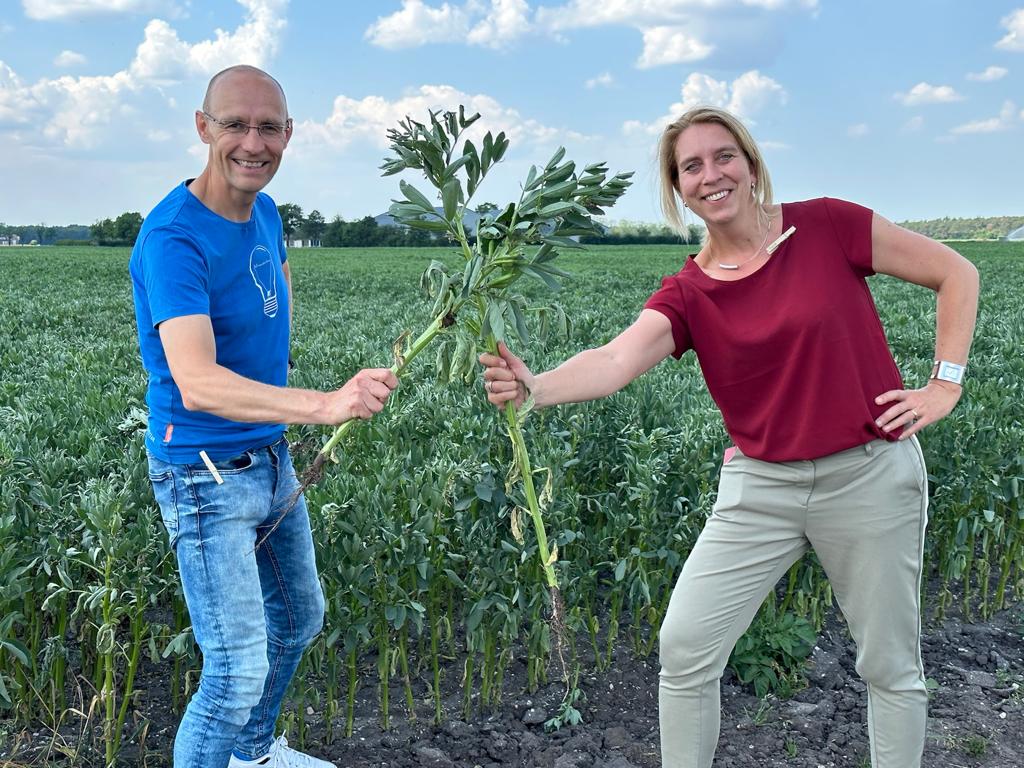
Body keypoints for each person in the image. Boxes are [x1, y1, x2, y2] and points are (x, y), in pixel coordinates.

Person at [479, 106, 979, 768]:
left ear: (750, 164)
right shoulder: (689, 291)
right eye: (691, 166)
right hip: (760, 485)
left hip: (868, 473)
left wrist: (944, 383)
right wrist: (534, 386)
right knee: (685, 648)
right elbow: (615, 360)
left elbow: (957, 273)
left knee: (888, 664)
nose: (710, 175)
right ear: (677, 187)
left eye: (723, 157)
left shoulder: (827, 225)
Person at [129, 65, 398, 768]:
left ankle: (251, 756)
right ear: (202, 128)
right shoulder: (173, 238)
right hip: (205, 474)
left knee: (301, 620)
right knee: (234, 670)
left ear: (289, 134)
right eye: (235, 124)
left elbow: (270, 317)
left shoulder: (268, 214)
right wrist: (325, 405)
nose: (254, 142)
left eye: (269, 127)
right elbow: (196, 380)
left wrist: (293, 413)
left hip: (270, 460)